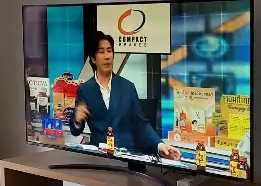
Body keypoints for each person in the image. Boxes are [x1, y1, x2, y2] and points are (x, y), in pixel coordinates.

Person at [69, 31, 182, 161]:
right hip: (100, 159)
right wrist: (77, 120)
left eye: (109, 51)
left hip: (128, 157)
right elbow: (75, 131)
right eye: (101, 52)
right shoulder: (85, 90)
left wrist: (160, 145)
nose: (107, 56)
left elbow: (141, 123)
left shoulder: (127, 87)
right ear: (93, 58)